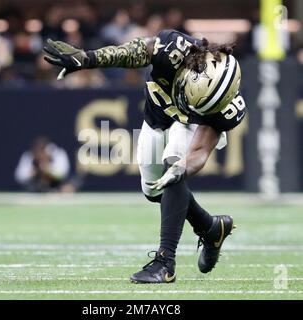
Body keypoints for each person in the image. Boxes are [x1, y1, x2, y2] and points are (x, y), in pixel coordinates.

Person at [43, 29, 246, 283]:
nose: (187, 105)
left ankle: (165, 263)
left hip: (186, 128)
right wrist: (87, 59)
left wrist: (181, 168)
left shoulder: (226, 107)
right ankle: (210, 228)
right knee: (153, 190)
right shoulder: (176, 50)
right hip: (156, 119)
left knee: (174, 164)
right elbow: (135, 51)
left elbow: (199, 151)